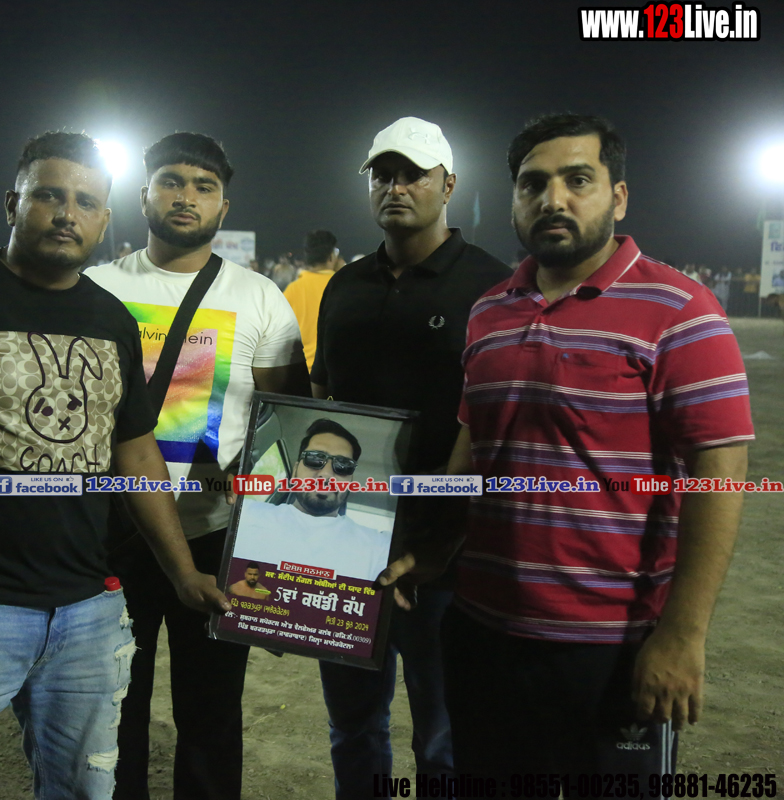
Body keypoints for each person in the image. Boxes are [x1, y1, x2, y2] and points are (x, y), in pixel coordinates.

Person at [384, 113, 753, 778]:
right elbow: (478, 441)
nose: (553, 199)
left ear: (618, 196)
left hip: (612, 646)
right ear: (514, 200)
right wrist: (439, 546)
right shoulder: (490, 312)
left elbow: (719, 471)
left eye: (577, 180)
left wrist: (682, 634)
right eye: (533, 184)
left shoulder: (682, 311)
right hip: (484, 632)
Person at [0, 131, 230, 800]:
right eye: (49, 196)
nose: (67, 214)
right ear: (12, 203)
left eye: (85, 202)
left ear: (104, 218)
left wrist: (182, 572)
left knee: (85, 790)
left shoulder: (111, 318)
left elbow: (135, 452)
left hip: (87, 612)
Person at [88, 131, 307, 800]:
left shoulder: (261, 297)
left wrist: (279, 559)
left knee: (211, 714)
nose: (187, 196)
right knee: (109, 711)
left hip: (215, 537)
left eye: (204, 187)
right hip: (110, 535)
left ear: (223, 206)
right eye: (172, 182)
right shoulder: (96, 287)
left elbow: (286, 425)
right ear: (144, 194)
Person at [310, 116, 512, 798]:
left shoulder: (493, 287)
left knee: (444, 736)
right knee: (352, 728)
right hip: (346, 545)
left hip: (446, 558)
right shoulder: (344, 287)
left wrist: (442, 541)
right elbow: (321, 403)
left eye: (413, 175)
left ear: (448, 185)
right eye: (382, 174)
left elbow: (495, 425)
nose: (395, 187)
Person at [233, 419, 392, 584]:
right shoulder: (243, 516)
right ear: (295, 471)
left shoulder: (380, 548)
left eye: (343, 465)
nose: (327, 474)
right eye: (314, 458)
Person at [284, 229, 344, 371]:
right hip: (333, 372)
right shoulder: (342, 287)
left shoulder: (292, 290)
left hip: (300, 372)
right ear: (331, 257)